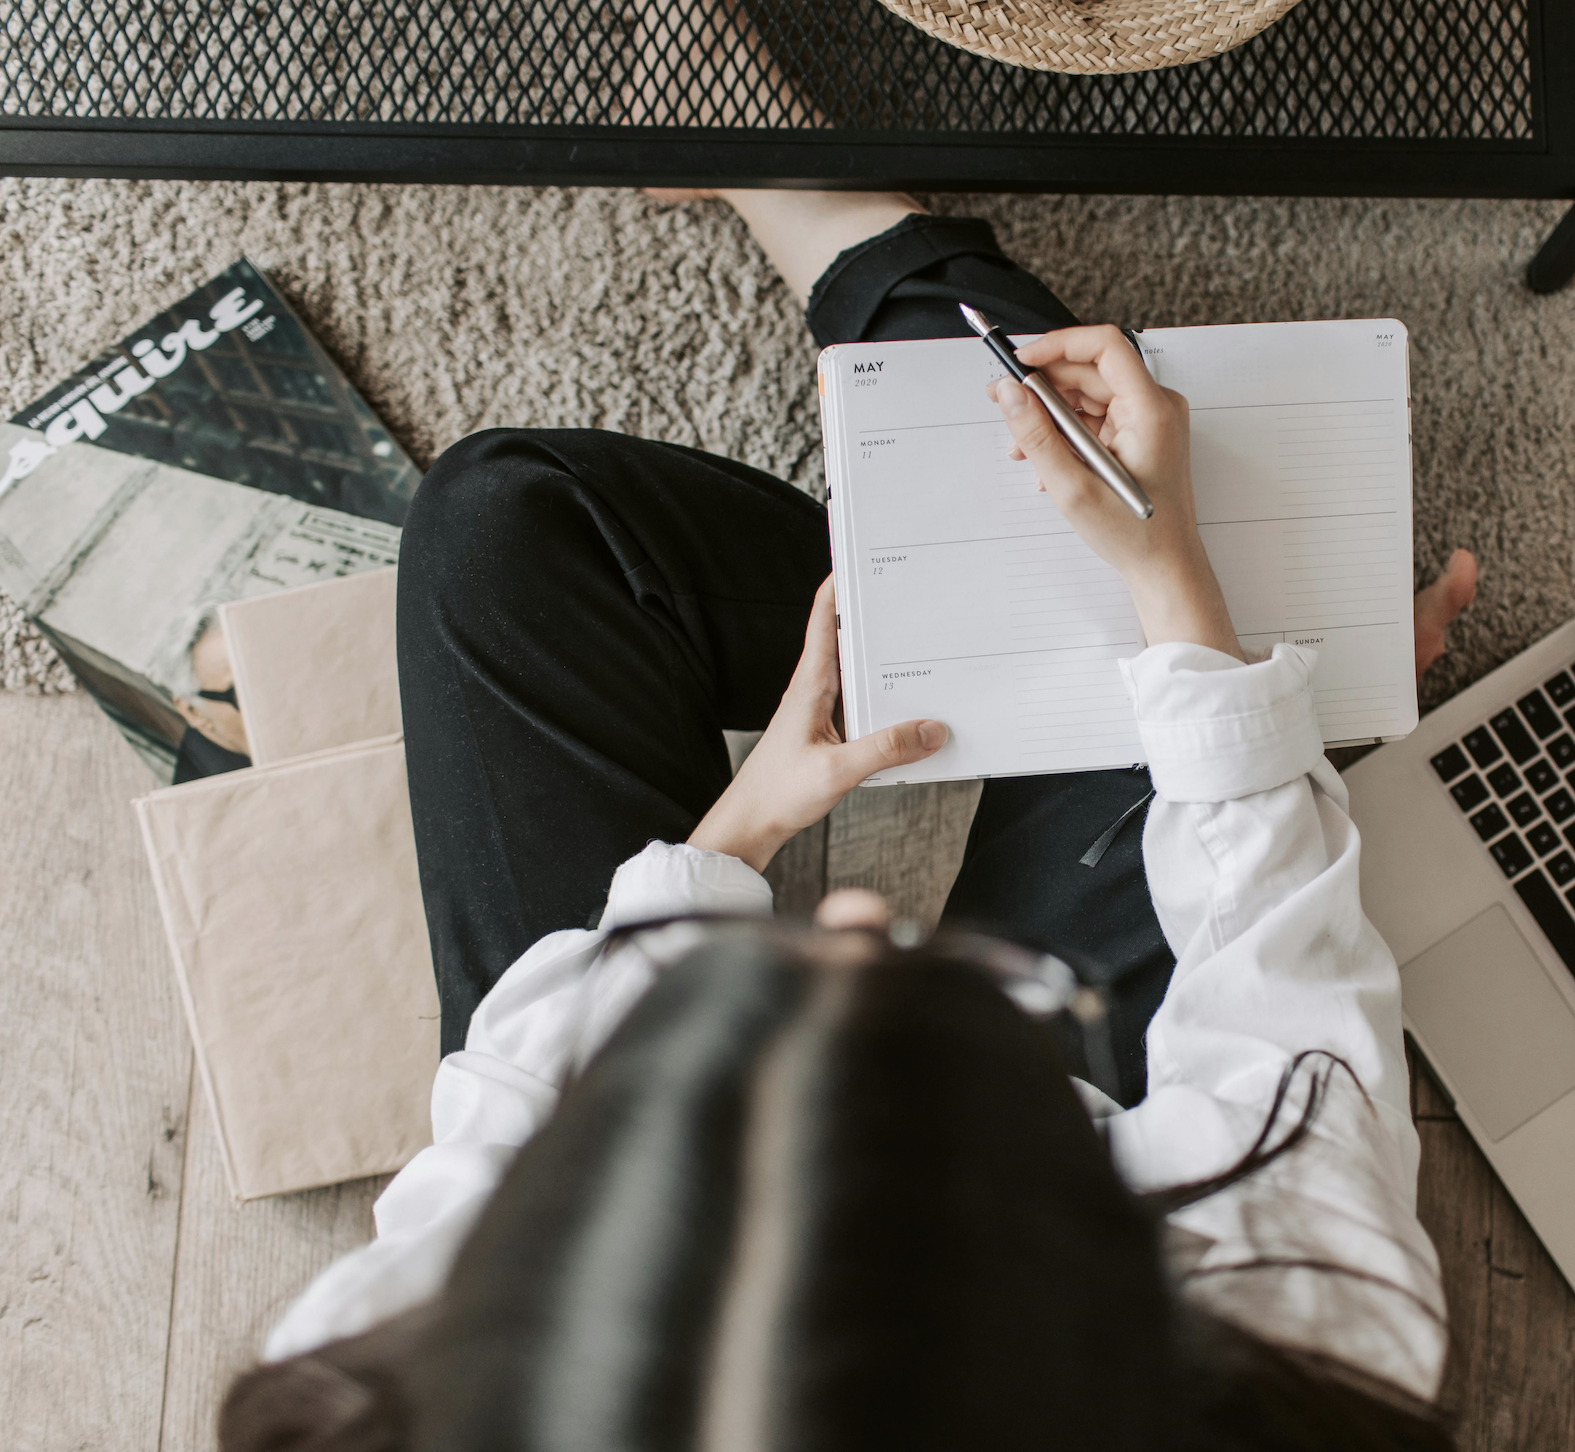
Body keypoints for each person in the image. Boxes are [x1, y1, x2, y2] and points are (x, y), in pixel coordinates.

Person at [216, 182, 1482, 1451]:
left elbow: (510, 1104)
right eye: (961, 1007)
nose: (860, 908)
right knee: (1210, 639)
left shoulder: (379, 1388)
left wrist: (735, 837)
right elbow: (1281, 999)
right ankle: (845, 230)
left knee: (506, 520)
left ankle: (876, 287)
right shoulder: (1305, 1347)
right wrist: (1194, 606)